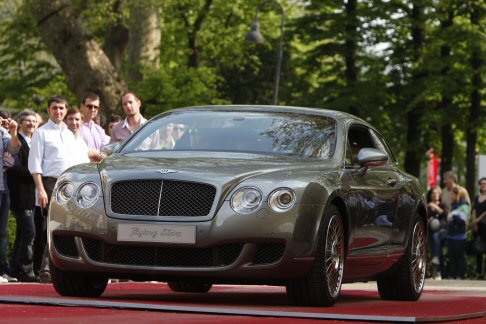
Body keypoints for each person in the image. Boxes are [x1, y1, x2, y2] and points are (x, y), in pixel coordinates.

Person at [28, 96, 82, 283]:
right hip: (51, 183)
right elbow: (34, 165)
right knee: (53, 225)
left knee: (68, 225)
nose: (58, 111)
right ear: (48, 110)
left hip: (72, 184)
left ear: (66, 110)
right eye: (54, 108)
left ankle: (62, 267)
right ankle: (45, 269)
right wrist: (41, 190)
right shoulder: (41, 133)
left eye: (61, 108)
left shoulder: (69, 135)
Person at [6, 110, 39, 282]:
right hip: (19, 193)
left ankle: (15, 268)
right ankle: (26, 270)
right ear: (20, 122)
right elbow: (12, 168)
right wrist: (35, 173)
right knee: (29, 232)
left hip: (30, 194)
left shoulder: (34, 142)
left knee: (22, 233)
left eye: (34, 121)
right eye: (28, 121)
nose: (32, 123)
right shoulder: (16, 140)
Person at [0, 113, 20, 283]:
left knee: (2, 232)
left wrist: (13, 131)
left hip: (3, 188)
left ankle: (3, 270)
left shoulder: (3, 134)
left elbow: (14, 149)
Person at [446, 187, 470, 280]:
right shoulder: (454, 205)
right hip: (451, 235)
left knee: (459, 256)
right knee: (452, 256)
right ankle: (453, 275)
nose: (451, 196)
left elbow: (462, 221)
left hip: (459, 236)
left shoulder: (464, 205)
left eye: (452, 194)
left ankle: (460, 275)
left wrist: (453, 216)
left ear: (458, 195)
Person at [78, 93, 109, 162]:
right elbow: (80, 152)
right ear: (82, 106)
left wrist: (93, 153)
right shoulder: (76, 127)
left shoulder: (100, 130)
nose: (93, 109)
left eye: (96, 107)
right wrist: (98, 154)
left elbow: (106, 154)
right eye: (90, 106)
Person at [426, 187, 447, 280]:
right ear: (430, 195)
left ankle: (437, 271)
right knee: (435, 249)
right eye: (433, 193)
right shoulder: (426, 205)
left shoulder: (442, 205)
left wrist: (434, 207)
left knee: (435, 237)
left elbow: (445, 215)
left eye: (437, 193)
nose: (435, 195)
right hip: (429, 231)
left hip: (441, 231)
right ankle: (435, 272)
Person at [471, 177, 486, 279]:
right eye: (481, 183)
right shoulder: (477, 197)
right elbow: (474, 210)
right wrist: (474, 222)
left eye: (485, 183)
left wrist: (478, 220)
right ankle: (478, 272)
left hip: (485, 226)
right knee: (478, 249)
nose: (483, 185)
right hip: (478, 227)